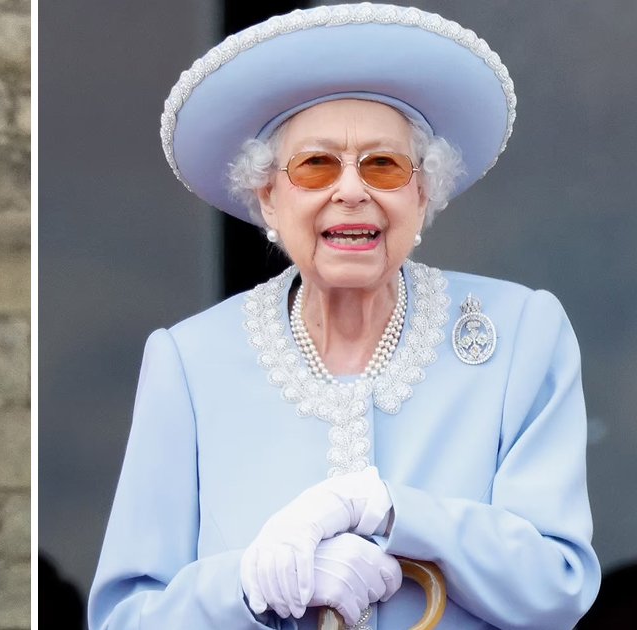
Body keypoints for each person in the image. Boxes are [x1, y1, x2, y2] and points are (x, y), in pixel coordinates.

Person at [89, 4, 600, 629]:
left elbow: (558, 585)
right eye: (316, 165)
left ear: (422, 195)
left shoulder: (522, 332)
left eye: (384, 165)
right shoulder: (189, 362)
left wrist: (393, 513)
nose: (352, 191)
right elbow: (125, 619)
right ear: (268, 199)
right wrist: (250, 585)